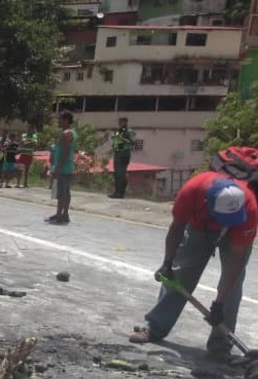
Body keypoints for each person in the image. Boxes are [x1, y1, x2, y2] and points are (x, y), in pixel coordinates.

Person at [128, 149, 258, 359]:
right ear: (208, 204)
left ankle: (220, 345)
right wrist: (167, 263)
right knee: (180, 275)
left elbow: (235, 262)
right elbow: (176, 230)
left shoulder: (249, 207)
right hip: (200, 227)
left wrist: (219, 304)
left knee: (233, 287)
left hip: (238, 229)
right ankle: (155, 327)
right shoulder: (193, 190)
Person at [46, 111, 77, 225]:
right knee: (66, 191)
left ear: (66, 120)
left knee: (61, 192)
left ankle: (59, 215)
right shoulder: (72, 132)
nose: (58, 121)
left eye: (60, 119)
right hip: (67, 166)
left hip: (63, 167)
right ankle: (64, 214)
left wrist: (58, 167)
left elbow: (66, 151)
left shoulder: (66, 133)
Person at [109, 116, 134, 199]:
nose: (119, 123)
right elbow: (116, 141)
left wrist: (121, 139)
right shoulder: (119, 131)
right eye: (119, 122)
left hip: (124, 154)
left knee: (121, 174)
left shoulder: (128, 131)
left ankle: (121, 192)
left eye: (121, 122)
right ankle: (116, 191)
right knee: (116, 174)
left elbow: (132, 143)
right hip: (118, 153)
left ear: (125, 122)